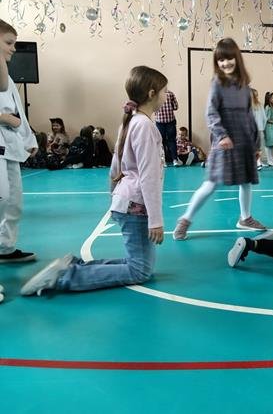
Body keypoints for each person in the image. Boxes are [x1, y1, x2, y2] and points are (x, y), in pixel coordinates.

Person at [20, 65, 167, 296]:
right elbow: (148, 175)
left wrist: (114, 197)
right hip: (136, 205)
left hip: (127, 201)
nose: (166, 96)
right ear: (151, 93)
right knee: (139, 270)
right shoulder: (144, 125)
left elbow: (115, 167)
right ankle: (64, 277)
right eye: (164, 91)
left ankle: (73, 266)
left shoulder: (132, 121)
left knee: (138, 264)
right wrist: (155, 221)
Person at [173, 38, 265, 241]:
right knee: (211, 183)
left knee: (246, 182)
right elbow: (211, 112)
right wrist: (222, 135)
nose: (225, 63)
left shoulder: (244, 85)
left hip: (244, 141)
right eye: (221, 60)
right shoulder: (217, 83)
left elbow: (249, 115)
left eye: (229, 58)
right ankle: (185, 220)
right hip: (224, 141)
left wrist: (256, 143)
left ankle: (245, 218)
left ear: (237, 58)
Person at [0, 19, 38, 265]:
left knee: (14, 201)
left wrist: (28, 138)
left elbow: (19, 114)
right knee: (2, 198)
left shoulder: (8, 79)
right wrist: (4, 118)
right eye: (8, 43)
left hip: (10, 145)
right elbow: (9, 116)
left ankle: (5, 247)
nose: (14, 48)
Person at [155, 89, 180, 167]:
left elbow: (153, 108)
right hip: (170, 121)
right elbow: (176, 107)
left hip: (159, 121)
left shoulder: (156, 94)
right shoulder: (170, 93)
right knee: (172, 140)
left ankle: (164, 161)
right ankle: (175, 160)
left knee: (161, 142)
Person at [251, 88, 267, 170]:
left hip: (259, 129)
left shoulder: (260, 105)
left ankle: (259, 161)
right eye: (255, 96)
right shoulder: (249, 106)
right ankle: (256, 162)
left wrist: (262, 127)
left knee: (259, 147)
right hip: (253, 130)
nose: (257, 97)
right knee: (254, 147)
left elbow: (264, 118)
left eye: (257, 95)